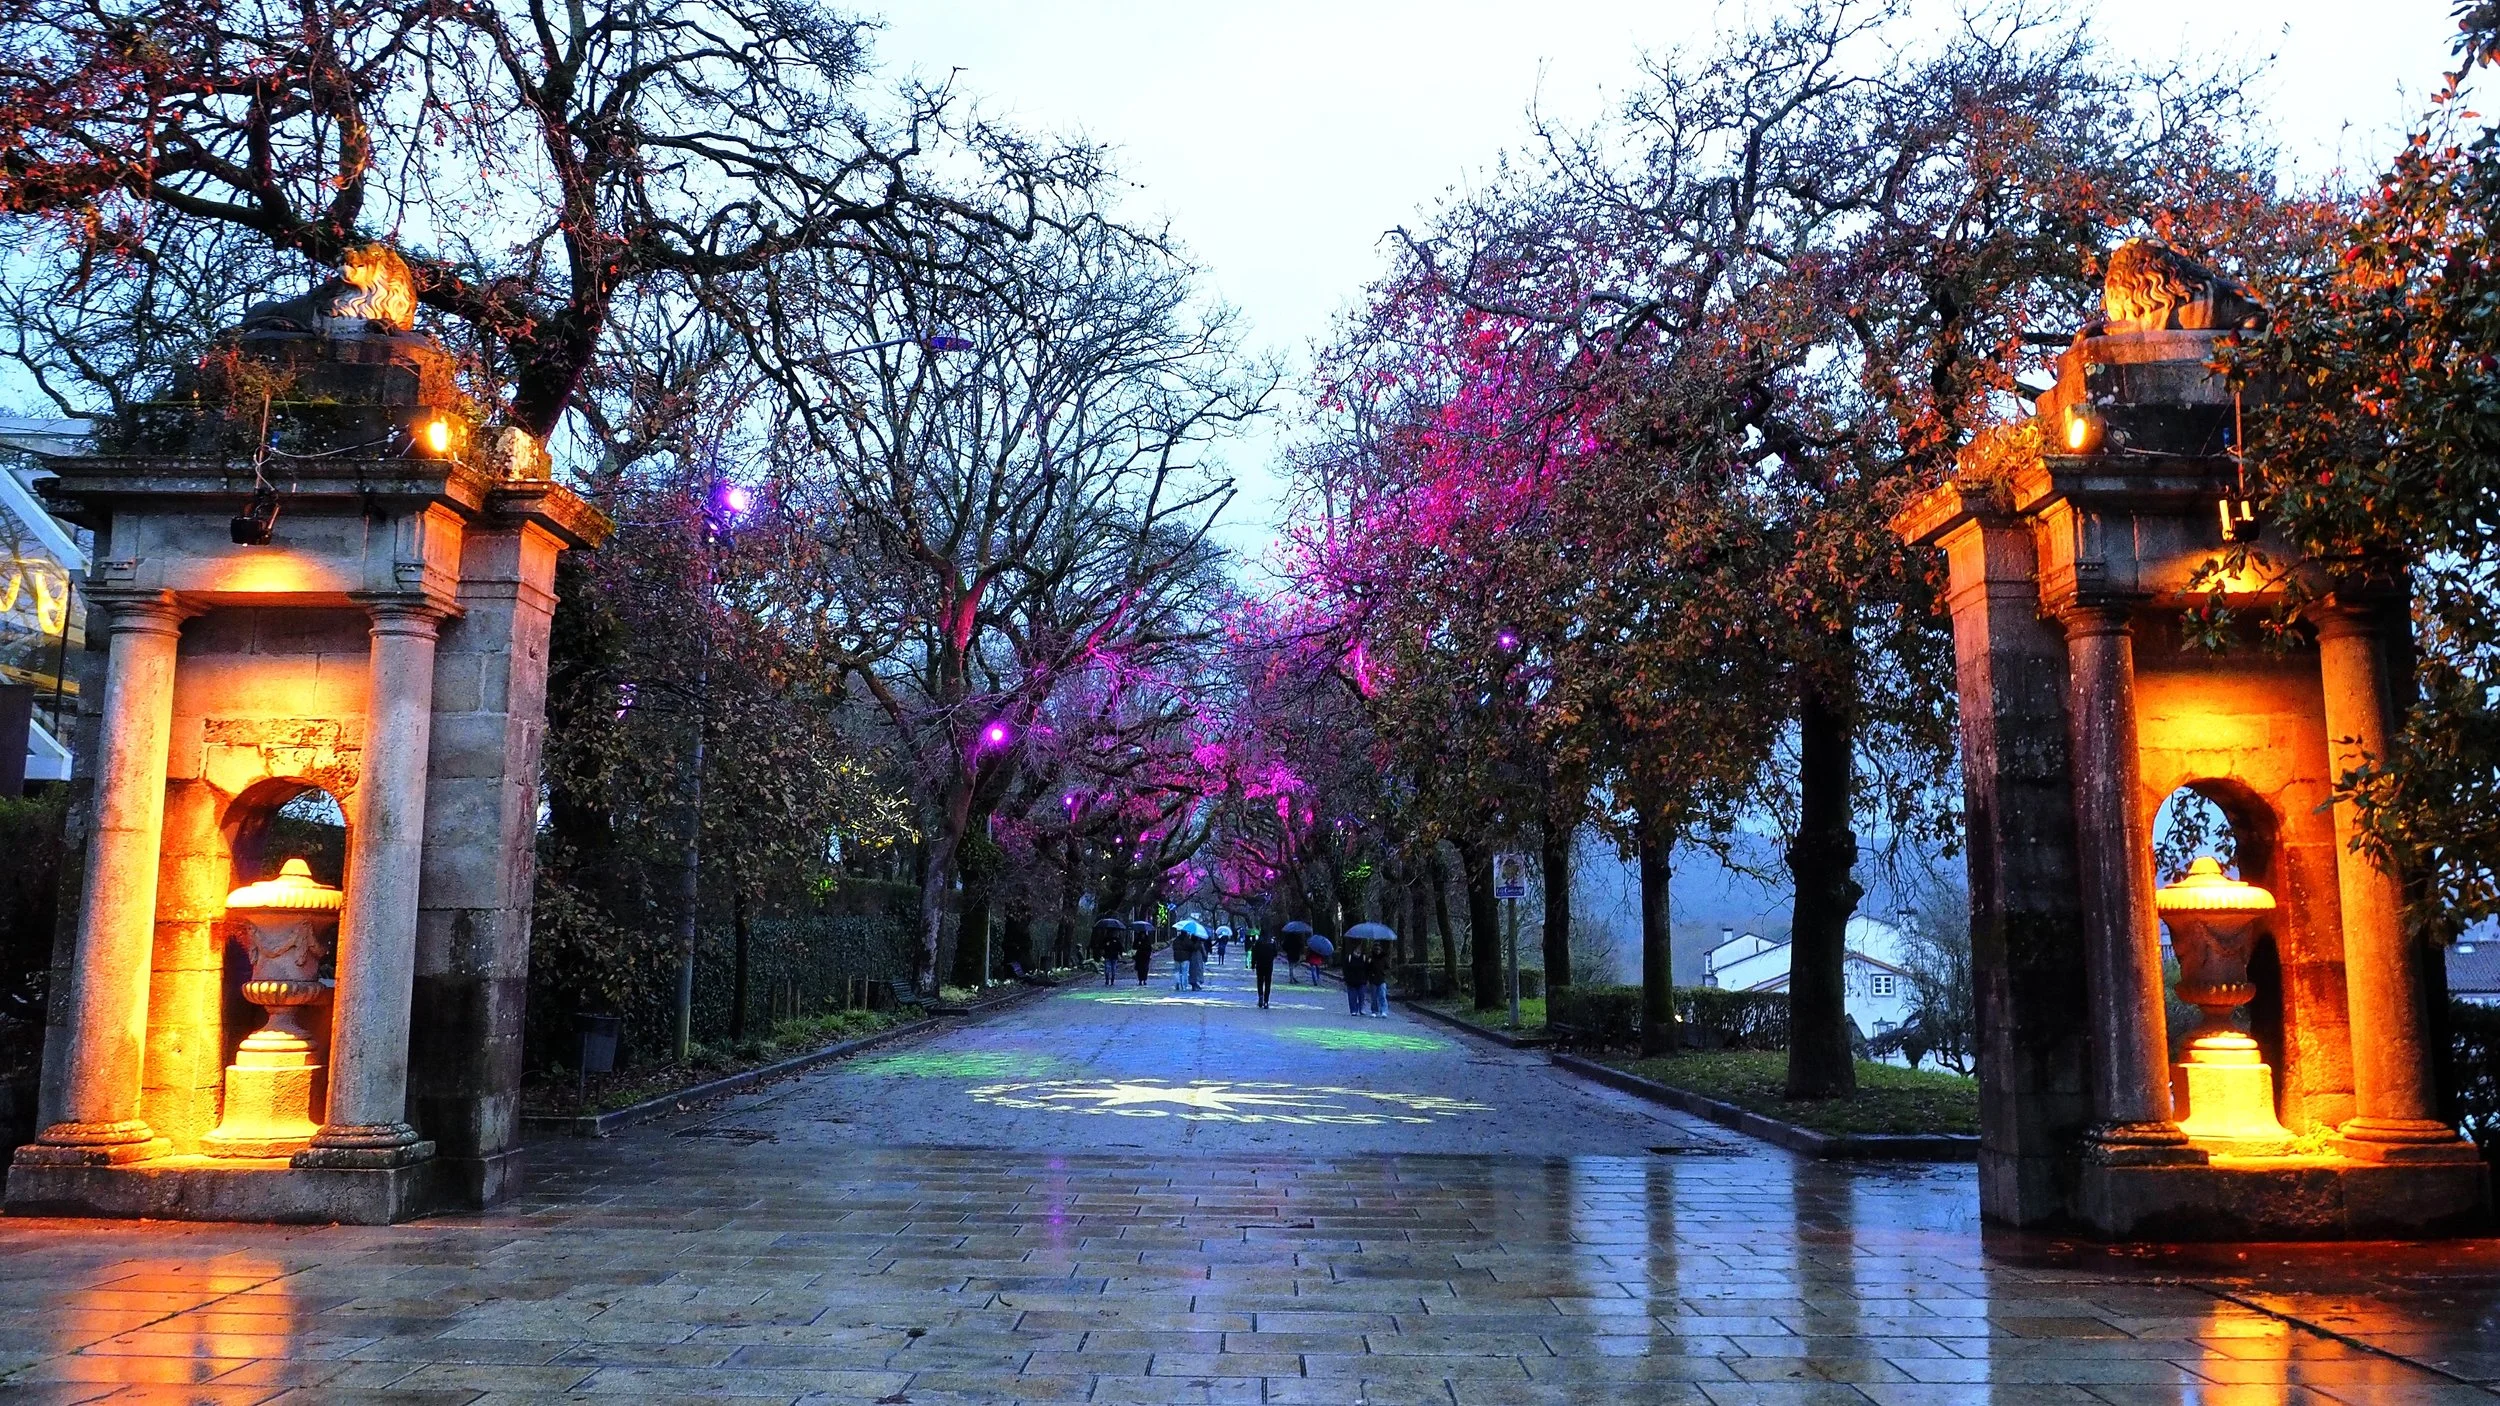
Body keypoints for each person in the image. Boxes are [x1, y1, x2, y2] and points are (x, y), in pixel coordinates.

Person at [1251, 928, 1280, 1009]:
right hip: (1269, 965)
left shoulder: (1258, 942)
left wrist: (1253, 965)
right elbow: (1275, 953)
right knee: (1268, 983)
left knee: (1260, 981)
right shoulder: (1272, 942)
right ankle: (1266, 1001)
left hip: (1259, 965)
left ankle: (1260, 996)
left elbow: (1254, 955)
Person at [1344, 945, 1368, 1015]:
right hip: (1351, 981)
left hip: (1362, 981)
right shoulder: (1349, 957)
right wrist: (1346, 978)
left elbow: (1367, 968)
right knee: (1352, 997)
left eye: (1359, 950)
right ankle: (1353, 1010)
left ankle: (1361, 1008)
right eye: (1356, 950)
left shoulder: (1364, 958)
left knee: (1362, 996)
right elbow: (1345, 969)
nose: (1358, 952)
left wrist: (1366, 978)